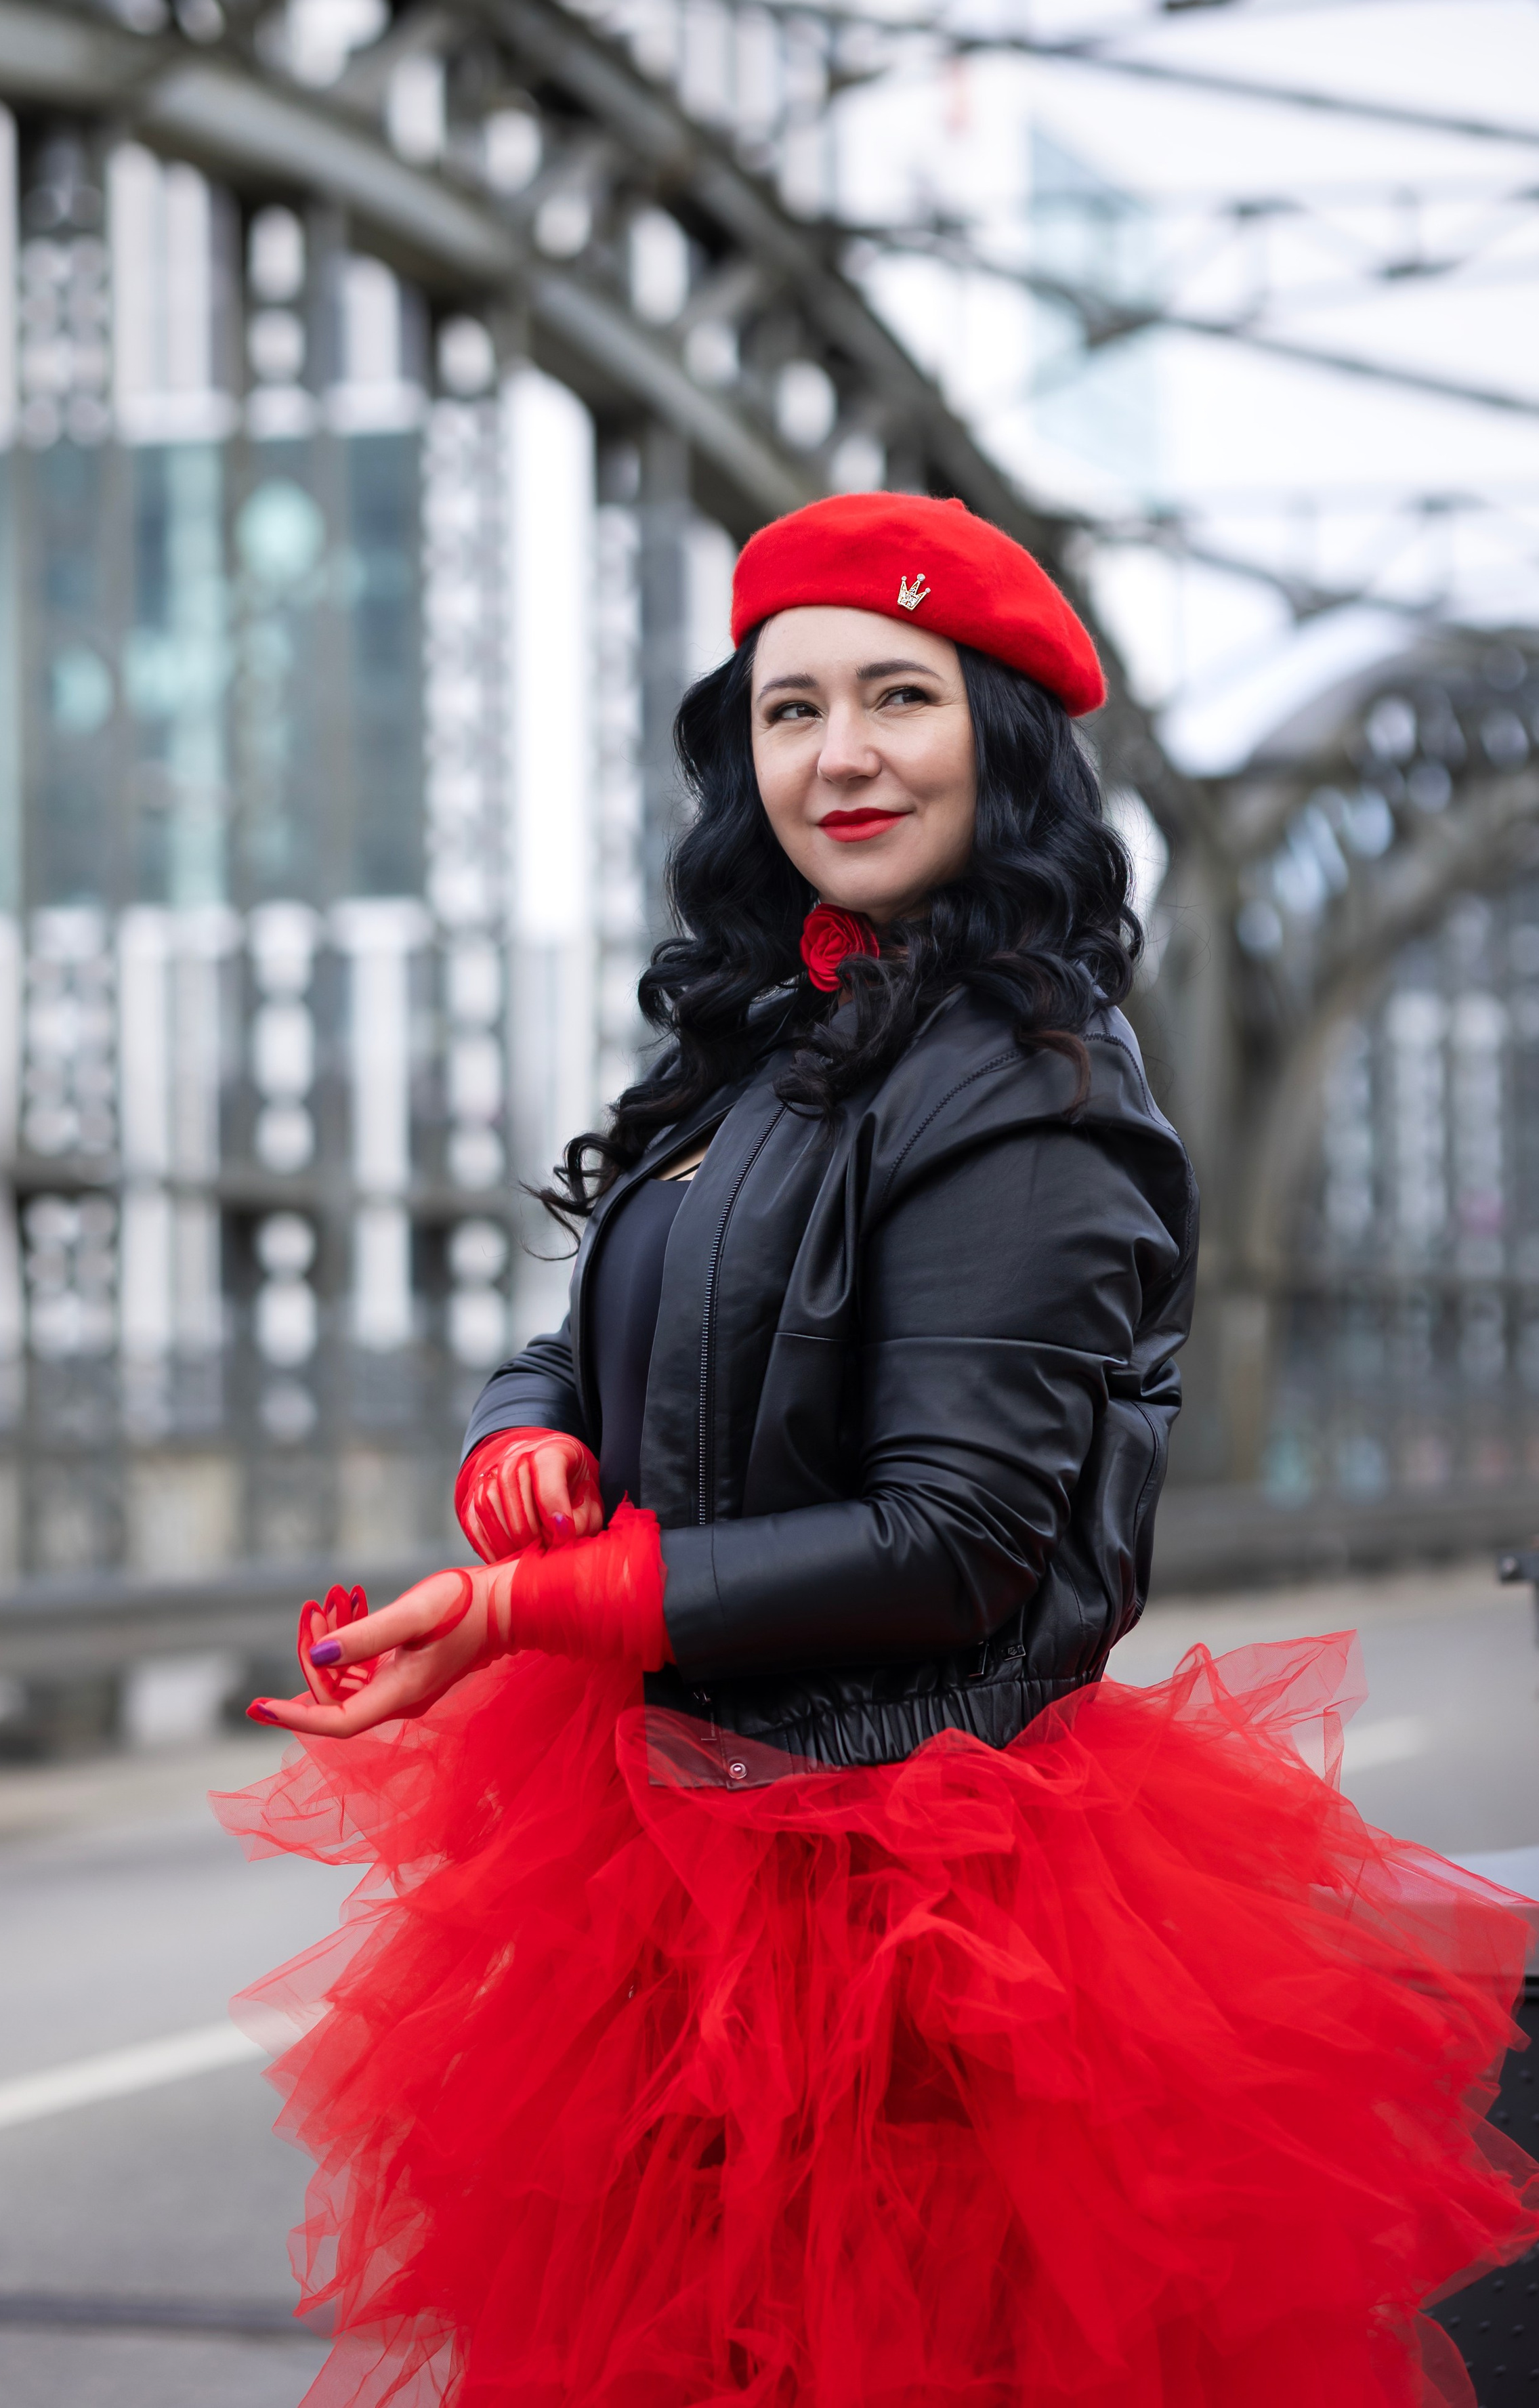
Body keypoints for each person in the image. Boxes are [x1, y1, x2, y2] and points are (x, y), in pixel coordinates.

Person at [218, 492, 1537, 2408]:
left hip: (915, 1894)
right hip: (688, 1850)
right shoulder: (768, 1035)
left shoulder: (1030, 1080)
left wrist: (547, 1603)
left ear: (997, 741)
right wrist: (529, 1443)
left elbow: (962, 1536)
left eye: (897, 698)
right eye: (788, 708)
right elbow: (589, 1324)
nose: (835, 755)